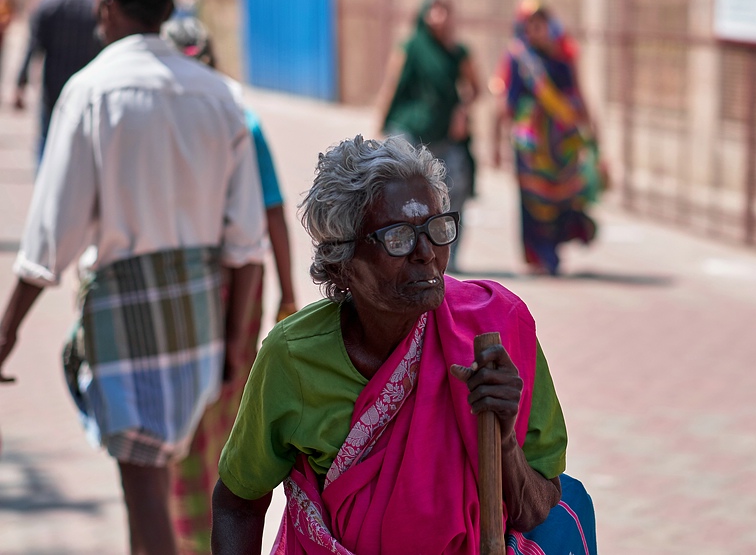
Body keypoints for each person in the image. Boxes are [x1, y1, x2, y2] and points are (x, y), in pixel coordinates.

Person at [0, 0, 267, 555]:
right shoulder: (219, 96)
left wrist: (8, 328)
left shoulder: (92, 92)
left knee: (144, 483)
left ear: (106, 5)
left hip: (125, 312)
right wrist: (234, 345)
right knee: (160, 480)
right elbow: (246, 242)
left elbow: (50, 239)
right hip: (200, 313)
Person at [211, 135, 596, 555]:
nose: (426, 253)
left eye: (437, 228)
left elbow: (538, 510)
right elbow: (238, 504)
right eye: (399, 238)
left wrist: (502, 439)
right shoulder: (293, 357)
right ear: (341, 262)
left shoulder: (496, 328)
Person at [161, 15, 298, 554]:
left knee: (218, 420)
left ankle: (192, 535)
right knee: (203, 422)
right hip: (210, 285)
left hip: (224, 288)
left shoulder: (237, 122)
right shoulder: (219, 118)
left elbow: (271, 214)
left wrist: (286, 294)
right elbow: (270, 216)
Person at [491, 0, 603, 276]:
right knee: (532, 200)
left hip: (562, 145)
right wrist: (495, 141)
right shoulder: (519, 59)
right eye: (531, 25)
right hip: (530, 147)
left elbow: (577, 96)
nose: (536, 30)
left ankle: (554, 248)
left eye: (541, 24)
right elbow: (505, 103)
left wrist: (593, 136)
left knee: (562, 198)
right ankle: (538, 253)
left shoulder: (563, 59)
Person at [374, 0, 481, 271]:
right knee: (399, 190)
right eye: (434, 11)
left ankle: (449, 256)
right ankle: (398, 250)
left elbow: (475, 88)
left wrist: (462, 111)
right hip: (410, 130)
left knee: (454, 189)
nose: (440, 17)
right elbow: (391, 86)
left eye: (445, 11)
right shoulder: (410, 48)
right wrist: (379, 124)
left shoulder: (458, 53)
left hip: (445, 134)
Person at [14, 0, 102, 162]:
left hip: (52, 88)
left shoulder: (48, 3)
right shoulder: (98, 7)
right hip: (89, 91)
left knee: (47, 140)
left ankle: (45, 189)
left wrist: (20, 84)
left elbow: (32, 48)